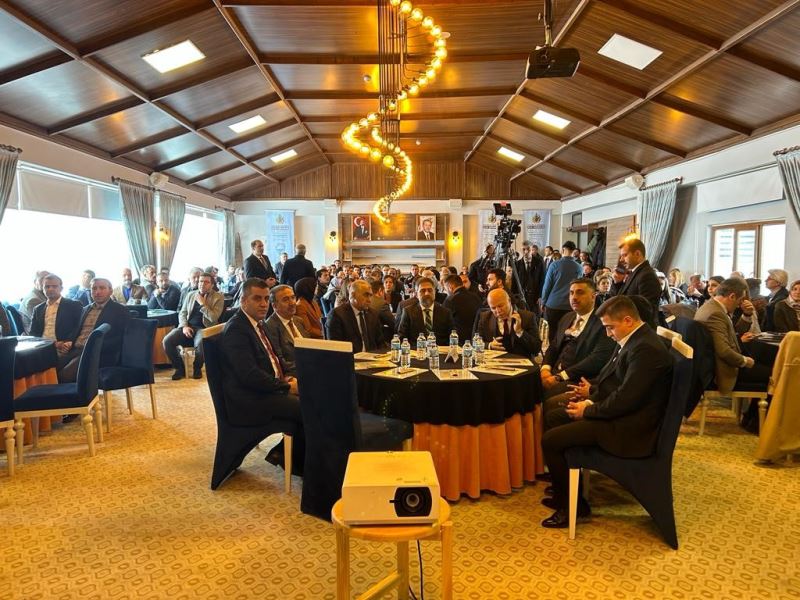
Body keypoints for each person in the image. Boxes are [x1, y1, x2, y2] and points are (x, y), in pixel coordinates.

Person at [540, 296, 673, 528]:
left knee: (551, 440)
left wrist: (588, 410)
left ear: (628, 320)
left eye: (610, 327)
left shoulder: (646, 349)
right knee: (554, 417)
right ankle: (566, 491)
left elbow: (626, 399)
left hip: (629, 428)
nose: (608, 334)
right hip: (622, 415)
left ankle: (571, 508)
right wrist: (590, 393)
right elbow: (617, 382)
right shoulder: (635, 339)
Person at [220, 277, 304, 472]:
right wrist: (286, 387)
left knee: (316, 397)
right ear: (243, 301)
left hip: (265, 389)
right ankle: (300, 464)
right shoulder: (237, 330)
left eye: (266, 299)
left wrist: (287, 377)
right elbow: (249, 375)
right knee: (308, 408)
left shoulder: (259, 323)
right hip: (249, 399)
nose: (264, 304)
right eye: (257, 298)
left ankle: (293, 456)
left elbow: (274, 359)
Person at [540, 279, 616, 401]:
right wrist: (545, 369)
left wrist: (560, 376)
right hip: (553, 372)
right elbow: (553, 346)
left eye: (580, 292)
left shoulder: (603, 323)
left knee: (545, 398)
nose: (574, 297)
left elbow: (597, 359)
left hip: (578, 379)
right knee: (524, 385)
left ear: (593, 296)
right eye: (571, 293)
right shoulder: (566, 317)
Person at [694, 277, 771, 396]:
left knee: (764, 358)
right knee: (774, 374)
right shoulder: (716, 313)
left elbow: (732, 333)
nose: (740, 305)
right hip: (722, 370)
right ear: (732, 296)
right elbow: (723, 351)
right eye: (740, 300)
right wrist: (745, 361)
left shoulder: (712, 306)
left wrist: (747, 315)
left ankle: (752, 409)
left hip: (719, 362)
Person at [57, 278, 130, 383]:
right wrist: (69, 342)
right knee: (50, 368)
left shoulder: (120, 310)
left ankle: (77, 394)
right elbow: (77, 331)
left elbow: (122, 337)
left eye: (102, 288)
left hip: (98, 353)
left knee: (65, 375)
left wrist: (92, 346)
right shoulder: (85, 309)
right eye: (94, 288)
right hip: (76, 349)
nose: (97, 292)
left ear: (110, 291)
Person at [163, 272, 225, 380]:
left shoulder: (218, 297)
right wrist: (184, 326)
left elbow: (213, 318)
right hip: (188, 327)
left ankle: (197, 368)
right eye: (201, 281)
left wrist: (202, 304)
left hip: (205, 328)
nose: (202, 284)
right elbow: (182, 313)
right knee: (167, 340)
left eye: (206, 282)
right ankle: (179, 368)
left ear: (212, 285)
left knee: (201, 343)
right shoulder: (191, 295)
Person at [474, 288, 541, 358]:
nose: (498, 311)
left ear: (509, 301)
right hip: (494, 361)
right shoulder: (485, 317)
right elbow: (475, 342)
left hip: (519, 360)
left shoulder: (528, 317)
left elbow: (536, 348)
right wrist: (489, 345)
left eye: (500, 306)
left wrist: (520, 332)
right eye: (493, 308)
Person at [326, 279, 388, 353]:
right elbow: (335, 347)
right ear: (353, 295)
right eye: (366, 295)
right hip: (350, 357)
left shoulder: (373, 314)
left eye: (370, 295)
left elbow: (380, 343)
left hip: (372, 357)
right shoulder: (337, 315)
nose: (369, 300)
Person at [541, 241, 582, 344]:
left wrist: (543, 302)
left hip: (553, 304)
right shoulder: (579, 267)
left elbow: (547, 286)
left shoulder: (554, 265)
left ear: (563, 249)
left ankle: (552, 352)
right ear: (574, 251)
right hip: (570, 306)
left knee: (553, 334)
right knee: (566, 334)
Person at [29, 274, 83, 353]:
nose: (50, 289)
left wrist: (69, 342)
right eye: (47, 287)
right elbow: (33, 333)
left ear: (61, 288)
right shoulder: (38, 309)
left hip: (63, 347)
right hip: (42, 347)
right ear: (43, 289)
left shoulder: (73, 305)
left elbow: (79, 327)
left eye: (54, 286)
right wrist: (52, 344)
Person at [264, 285, 309, 376]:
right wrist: (309, 366)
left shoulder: (298, 320)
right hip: (296, 374)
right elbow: (281, 362)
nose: (292, 303)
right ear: (274, 306)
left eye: (293, 297)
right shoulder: (269, 327)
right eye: (285, 300)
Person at [616, 238, 661, 328]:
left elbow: (646, 309)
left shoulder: (647, 275)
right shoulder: (635, 272)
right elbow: (619, 297)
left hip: (640, 329)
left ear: (637, 254)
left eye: (624, 255)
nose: (621, 260)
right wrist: (617, 282)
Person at [398, 276, 455, 346]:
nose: (427, 293)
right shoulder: (408, 312)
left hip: (440, 351)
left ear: (434, 292)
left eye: (430, 290)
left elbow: (452, 337)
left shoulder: (445, 312)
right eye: (423, 291)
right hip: (416, 351)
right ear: (416, 294)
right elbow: (402, 338)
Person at [442, 273, 482, 344]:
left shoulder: (450, 300)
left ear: (450, 287)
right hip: (476, 338)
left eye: (445, 288)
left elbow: (443, 322)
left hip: (458, 341)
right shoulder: (475, 297)